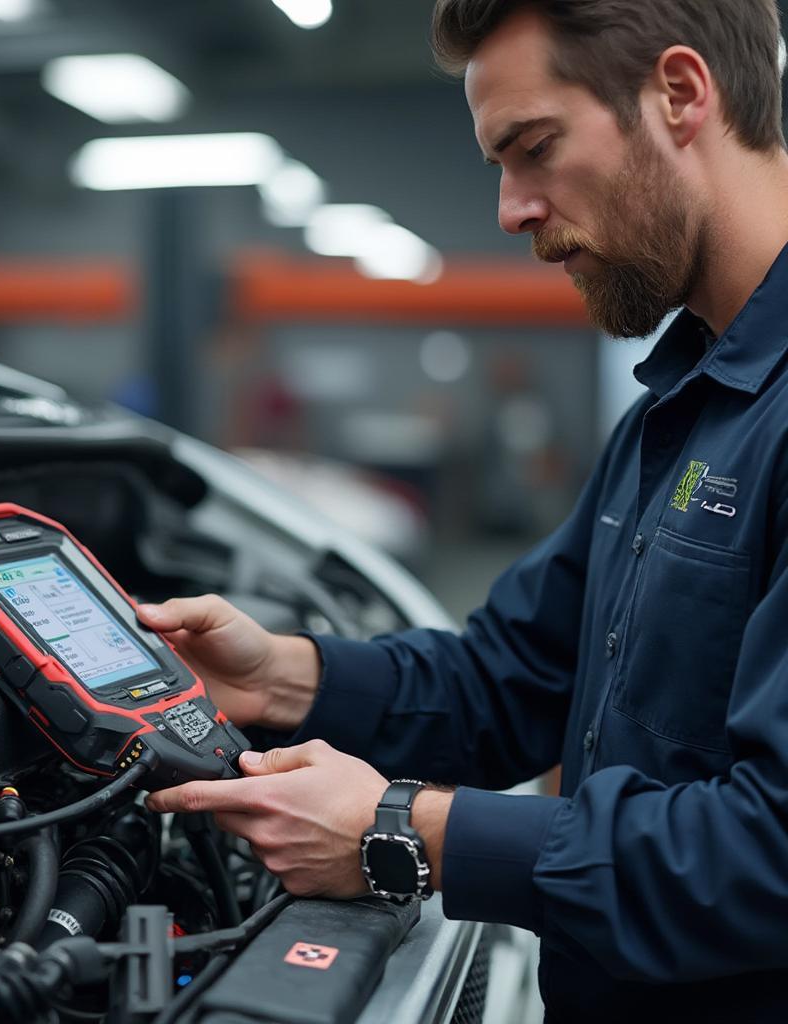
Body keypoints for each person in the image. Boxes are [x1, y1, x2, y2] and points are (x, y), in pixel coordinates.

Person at [138, 1, 788, 1020]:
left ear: (679, 94)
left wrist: (399, 827)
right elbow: (514, 676)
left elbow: (767, 855)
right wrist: (280, 675)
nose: (509, 209)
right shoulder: (677, 411)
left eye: (533, 149)